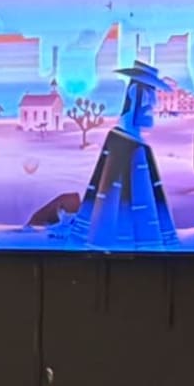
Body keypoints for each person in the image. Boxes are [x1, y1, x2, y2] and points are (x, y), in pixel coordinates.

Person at [67, 59, 180, 249]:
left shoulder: (138, 146)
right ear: (134, 94)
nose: (152, 106)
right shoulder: (121, 141)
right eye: (149, 98)